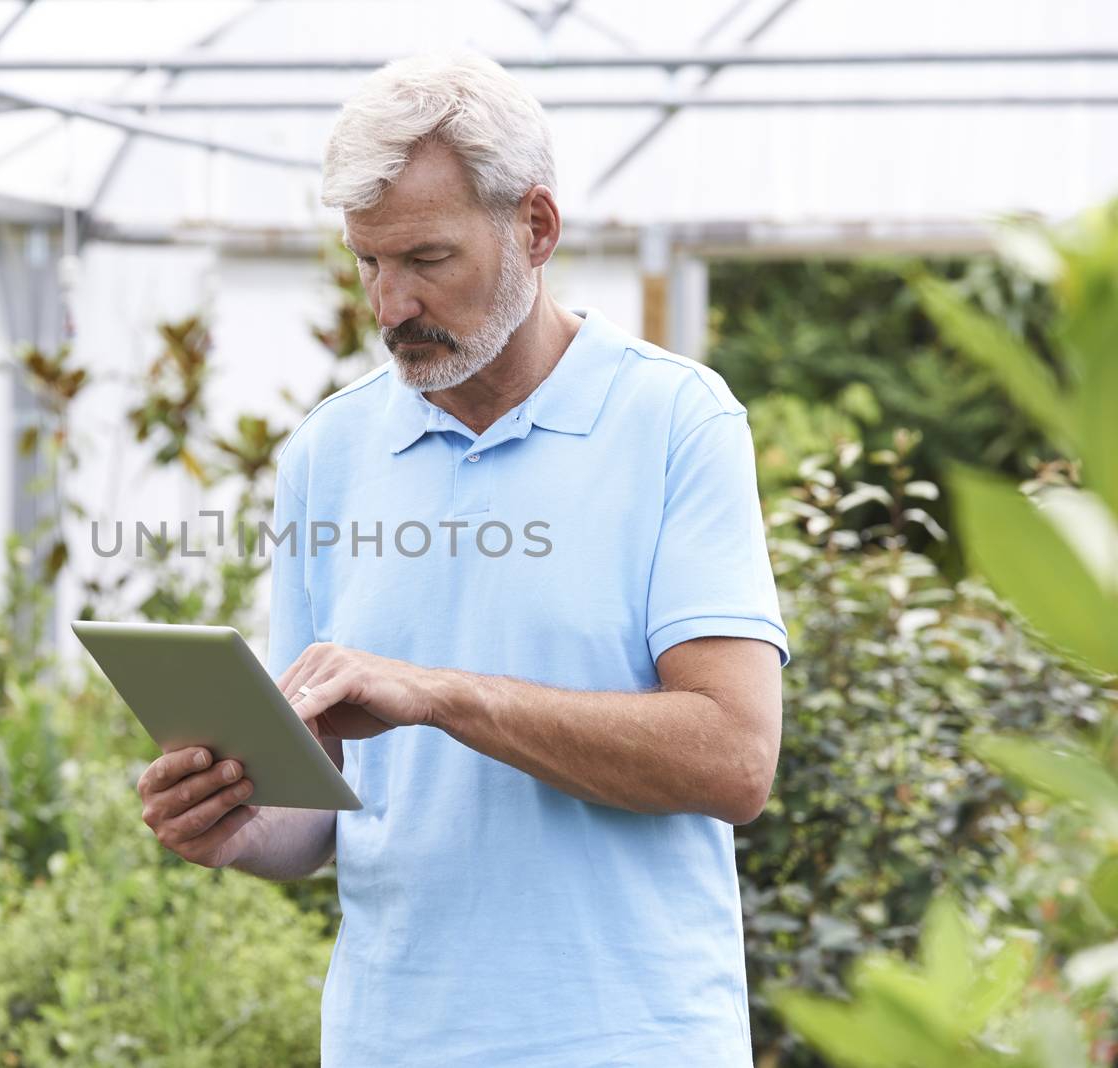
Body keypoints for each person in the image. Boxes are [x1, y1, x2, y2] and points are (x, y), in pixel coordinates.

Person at [135, 49, 789, 1067]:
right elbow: (317, 809)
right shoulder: (328, 453)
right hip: (391, 1039)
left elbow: (735, 759)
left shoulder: (675, 421)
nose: (389, 303)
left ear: (535, 228)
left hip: (631, 1041)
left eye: (426, 260)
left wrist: (440, 695)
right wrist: (234, 825)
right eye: (367, 262)